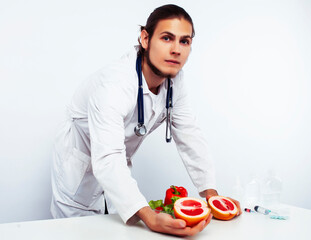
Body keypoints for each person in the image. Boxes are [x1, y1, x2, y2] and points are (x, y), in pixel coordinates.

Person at [51, 4, 241, 237]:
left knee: (115, 231)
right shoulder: (114, 85)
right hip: (81, 170)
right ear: (145, 38)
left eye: (185, 41)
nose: (176, 49)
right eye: (167, 38)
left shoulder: (175, 80)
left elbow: (190, 135)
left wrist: (211, 195)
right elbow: (108, 157)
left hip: (117, 172)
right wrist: (150, 218)